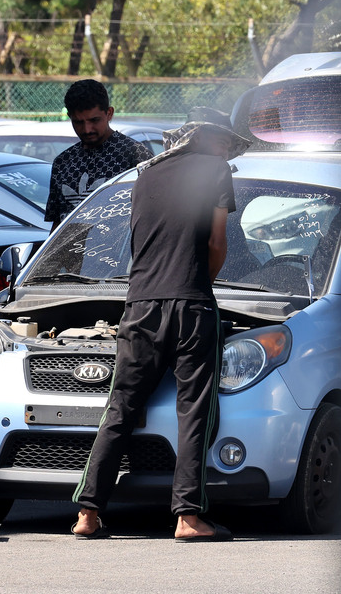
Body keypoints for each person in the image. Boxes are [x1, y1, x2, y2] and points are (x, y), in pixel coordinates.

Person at [70, 116, 251, 542]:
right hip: (191, 305)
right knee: (195, 411)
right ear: (206, 140)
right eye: (224, 143)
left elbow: (141, 243)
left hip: (139, 305)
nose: (227, 152)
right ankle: (188, 517)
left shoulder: (144, 175)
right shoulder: (214, 170)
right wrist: (198, 285)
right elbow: (217, 242)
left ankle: (87, 513)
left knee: (120, 408)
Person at [47, 79, 153, 229]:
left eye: (94, 120)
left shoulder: (135, 154)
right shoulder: (63, 162)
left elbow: (151, 214)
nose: (87, 129)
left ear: (109, 113)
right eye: (78, 122)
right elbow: (57, 224)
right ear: (70, 117)